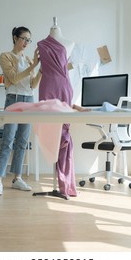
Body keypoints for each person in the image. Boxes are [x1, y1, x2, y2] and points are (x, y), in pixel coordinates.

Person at [0, 26, 42, 196]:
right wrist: (33, 66)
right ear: (15, 38)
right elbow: (13, 78)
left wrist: (41, 69)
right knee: (8, 140)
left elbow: (32, 85)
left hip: (29, 100)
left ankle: (17, 178)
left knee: (22, 141)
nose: (26, 42)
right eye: (23, 39)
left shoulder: (28, 60)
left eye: (29, 40)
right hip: (13, 99)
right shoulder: (5, 56)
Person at [37, 18, 78, 198]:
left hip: (63, 87)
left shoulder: (70, 43)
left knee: (63, 133)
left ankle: (64, 182)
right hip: (47, 87)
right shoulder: (40, 44)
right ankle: (60, 181)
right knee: (50, 131)